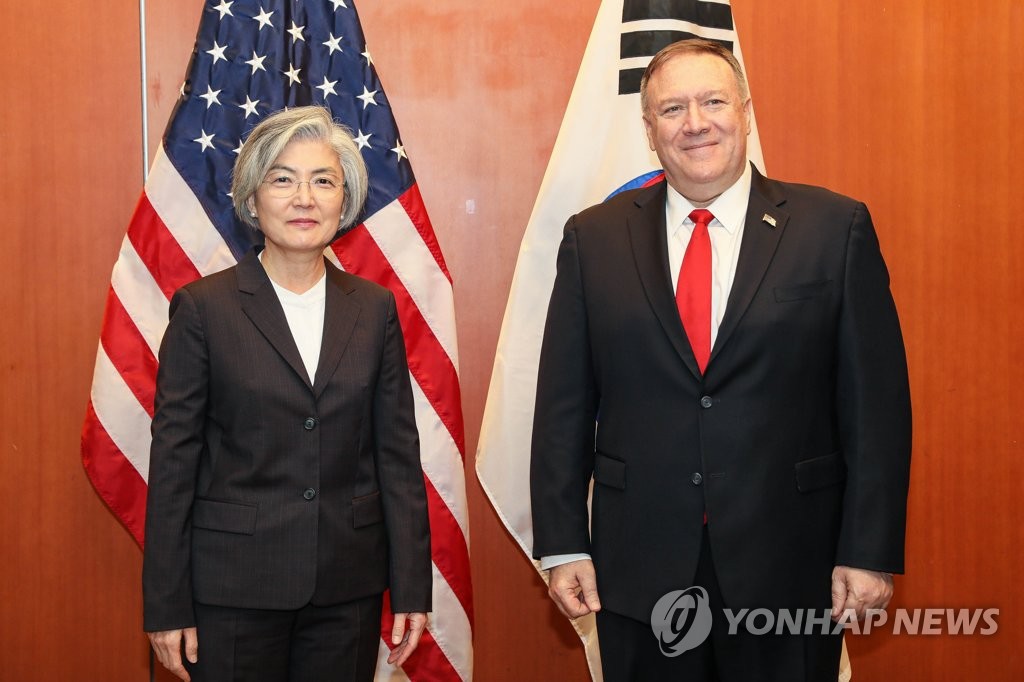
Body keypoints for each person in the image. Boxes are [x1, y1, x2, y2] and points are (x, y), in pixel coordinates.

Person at [530, 39, 911, 680]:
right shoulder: (593, 239)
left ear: (746, 112)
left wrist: (868, 550)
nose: (695, 123)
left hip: (792, 564)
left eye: (713, 102)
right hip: (639, 569)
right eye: (672, 109)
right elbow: (561, 407)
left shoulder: (833, 228)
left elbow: (877, 408)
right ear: (649, 129)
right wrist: (563, 542)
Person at [142, 106, 431, 682]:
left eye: (323, 181)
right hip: (231, 591)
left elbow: (397, 456)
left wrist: (411, 587)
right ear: (252, 199)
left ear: (344, 201)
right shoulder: (203, 309)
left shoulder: (375, 309)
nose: (305, 198)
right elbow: (174, 463)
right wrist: (166, 604)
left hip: (345, 588)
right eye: (283, 179)